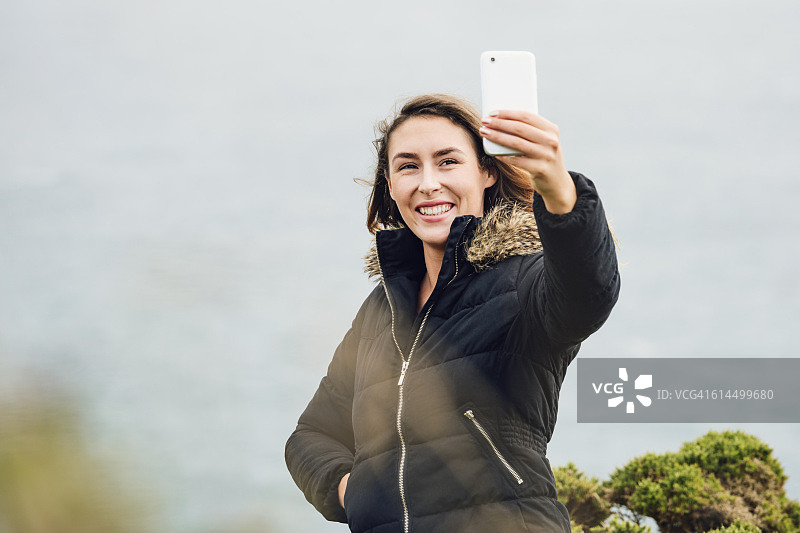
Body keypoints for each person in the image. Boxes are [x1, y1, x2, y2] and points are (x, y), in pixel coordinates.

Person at [285, 94, 620, 532]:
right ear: (389, 183)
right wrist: (353, 490)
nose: (427, 183)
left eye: (447, 162)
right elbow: (311, 435)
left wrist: (556, 184)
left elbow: (588, 292)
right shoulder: (381, 310)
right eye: (408, 166)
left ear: (486, 171)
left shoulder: (523, 281)